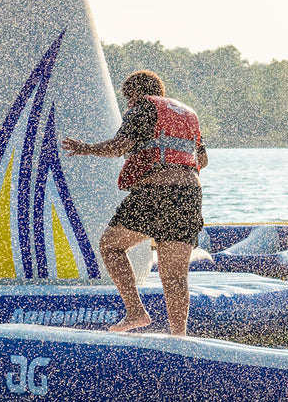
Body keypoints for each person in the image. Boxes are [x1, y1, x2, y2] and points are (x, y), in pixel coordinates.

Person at [61, 70, 207, 336]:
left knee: (111, 245)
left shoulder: (142, 109)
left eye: (128, 98)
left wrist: (85, 148)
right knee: (174, 276)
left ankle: (136, 312)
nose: (128, 104)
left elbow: (117, 147)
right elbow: (202, 161)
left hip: (155, 191)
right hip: (189, 195)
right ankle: (179, 337)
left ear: (137, 94)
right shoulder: (188, 115)